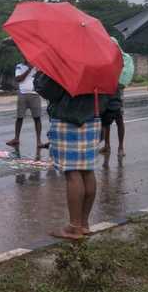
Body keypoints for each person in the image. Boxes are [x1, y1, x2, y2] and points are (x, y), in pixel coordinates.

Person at [35, 71, 109, 240]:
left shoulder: (65, 60)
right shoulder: (99, 60)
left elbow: (46, 90)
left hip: (68, 120)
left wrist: (42, 71)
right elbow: (110, 95)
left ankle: (73, 227)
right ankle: (83, 224)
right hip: (93, 118)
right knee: (87, 170)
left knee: (72, 173)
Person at [6, 60, 48, 149]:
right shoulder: (19, 66)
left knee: (37, 118)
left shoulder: (38, 66)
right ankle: (16, 138)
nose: (25, 58)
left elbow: (42, 77)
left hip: (35, 94)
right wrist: (29, 69)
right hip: (23, 94)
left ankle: (39, 141)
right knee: (19, 117)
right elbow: (18, 79)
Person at [99, 85, 125, 156]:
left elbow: (122, 86)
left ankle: (120, 147)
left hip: (114, 98)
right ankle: (108, 146)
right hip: (108, 98)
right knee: (107, 123)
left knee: (118, 122)